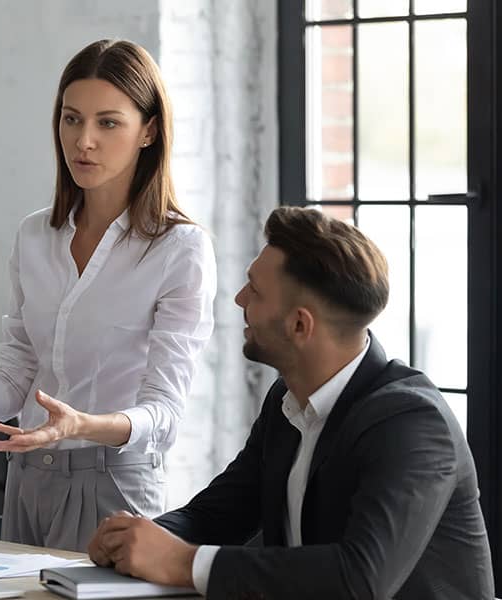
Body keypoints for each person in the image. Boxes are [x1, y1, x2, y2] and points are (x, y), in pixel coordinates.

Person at [0, 39, 216, 552]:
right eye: (71, 119)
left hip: (114, 484)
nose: (84, 141)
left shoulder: (179, 249)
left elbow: (164, 414)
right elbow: (14, 379)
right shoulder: (35, 237)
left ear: (148, 130)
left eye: (108, 122)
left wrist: (81, 425)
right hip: (28, 478)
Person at [87, 207, 494, 599]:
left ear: (300, 325)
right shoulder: (286, 400)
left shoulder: (412, 422)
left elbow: (361, 579)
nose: (239, 299)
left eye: (256, 291)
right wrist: (133, 540)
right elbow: (218, 515)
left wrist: (184, 563)